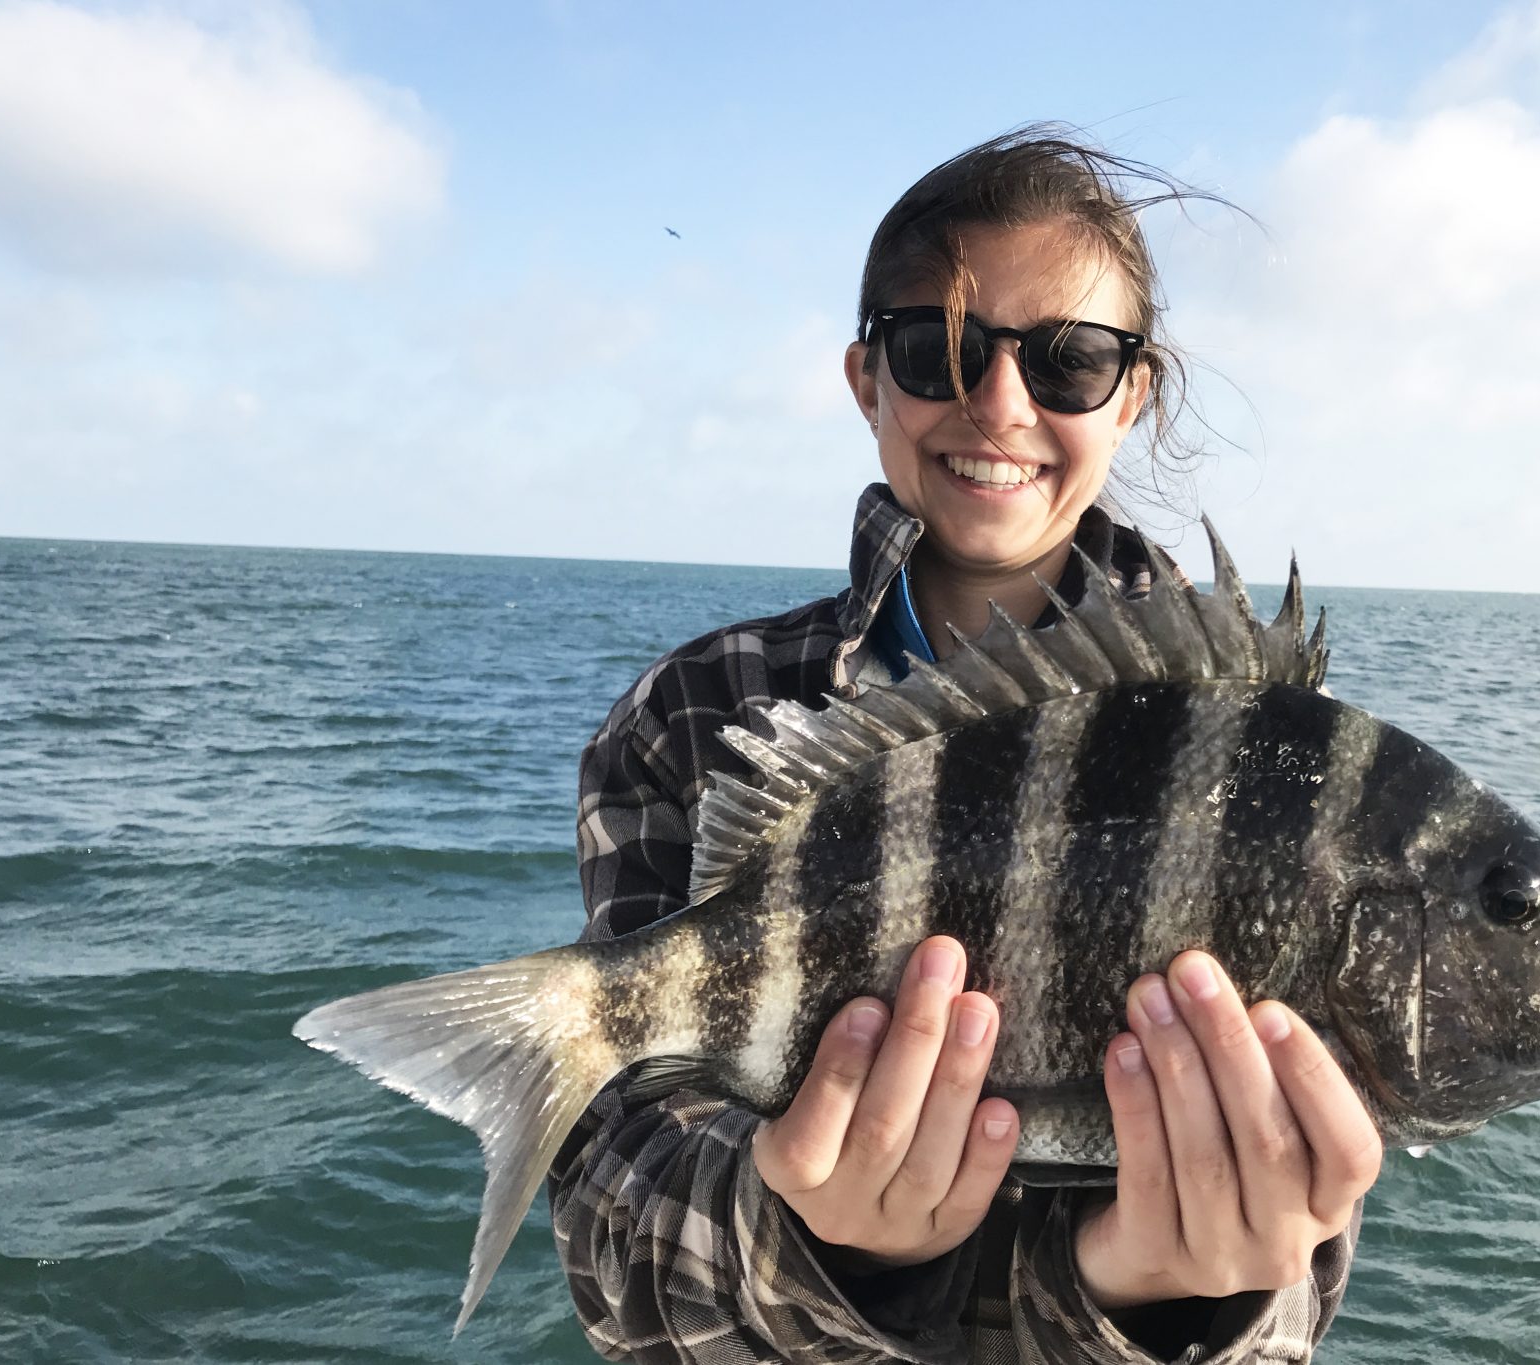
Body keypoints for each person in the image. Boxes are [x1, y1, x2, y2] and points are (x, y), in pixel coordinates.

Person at [548, 128, 1382, 1364]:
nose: (1000, 405)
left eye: (1071, 360)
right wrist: (817, 1245)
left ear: (1133, 392)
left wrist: (1169, 1295)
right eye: (937, 351)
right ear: (864, 377)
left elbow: (1299, 1282)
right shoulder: (695, 719)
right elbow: (613, 1251)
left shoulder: (1261, 757)